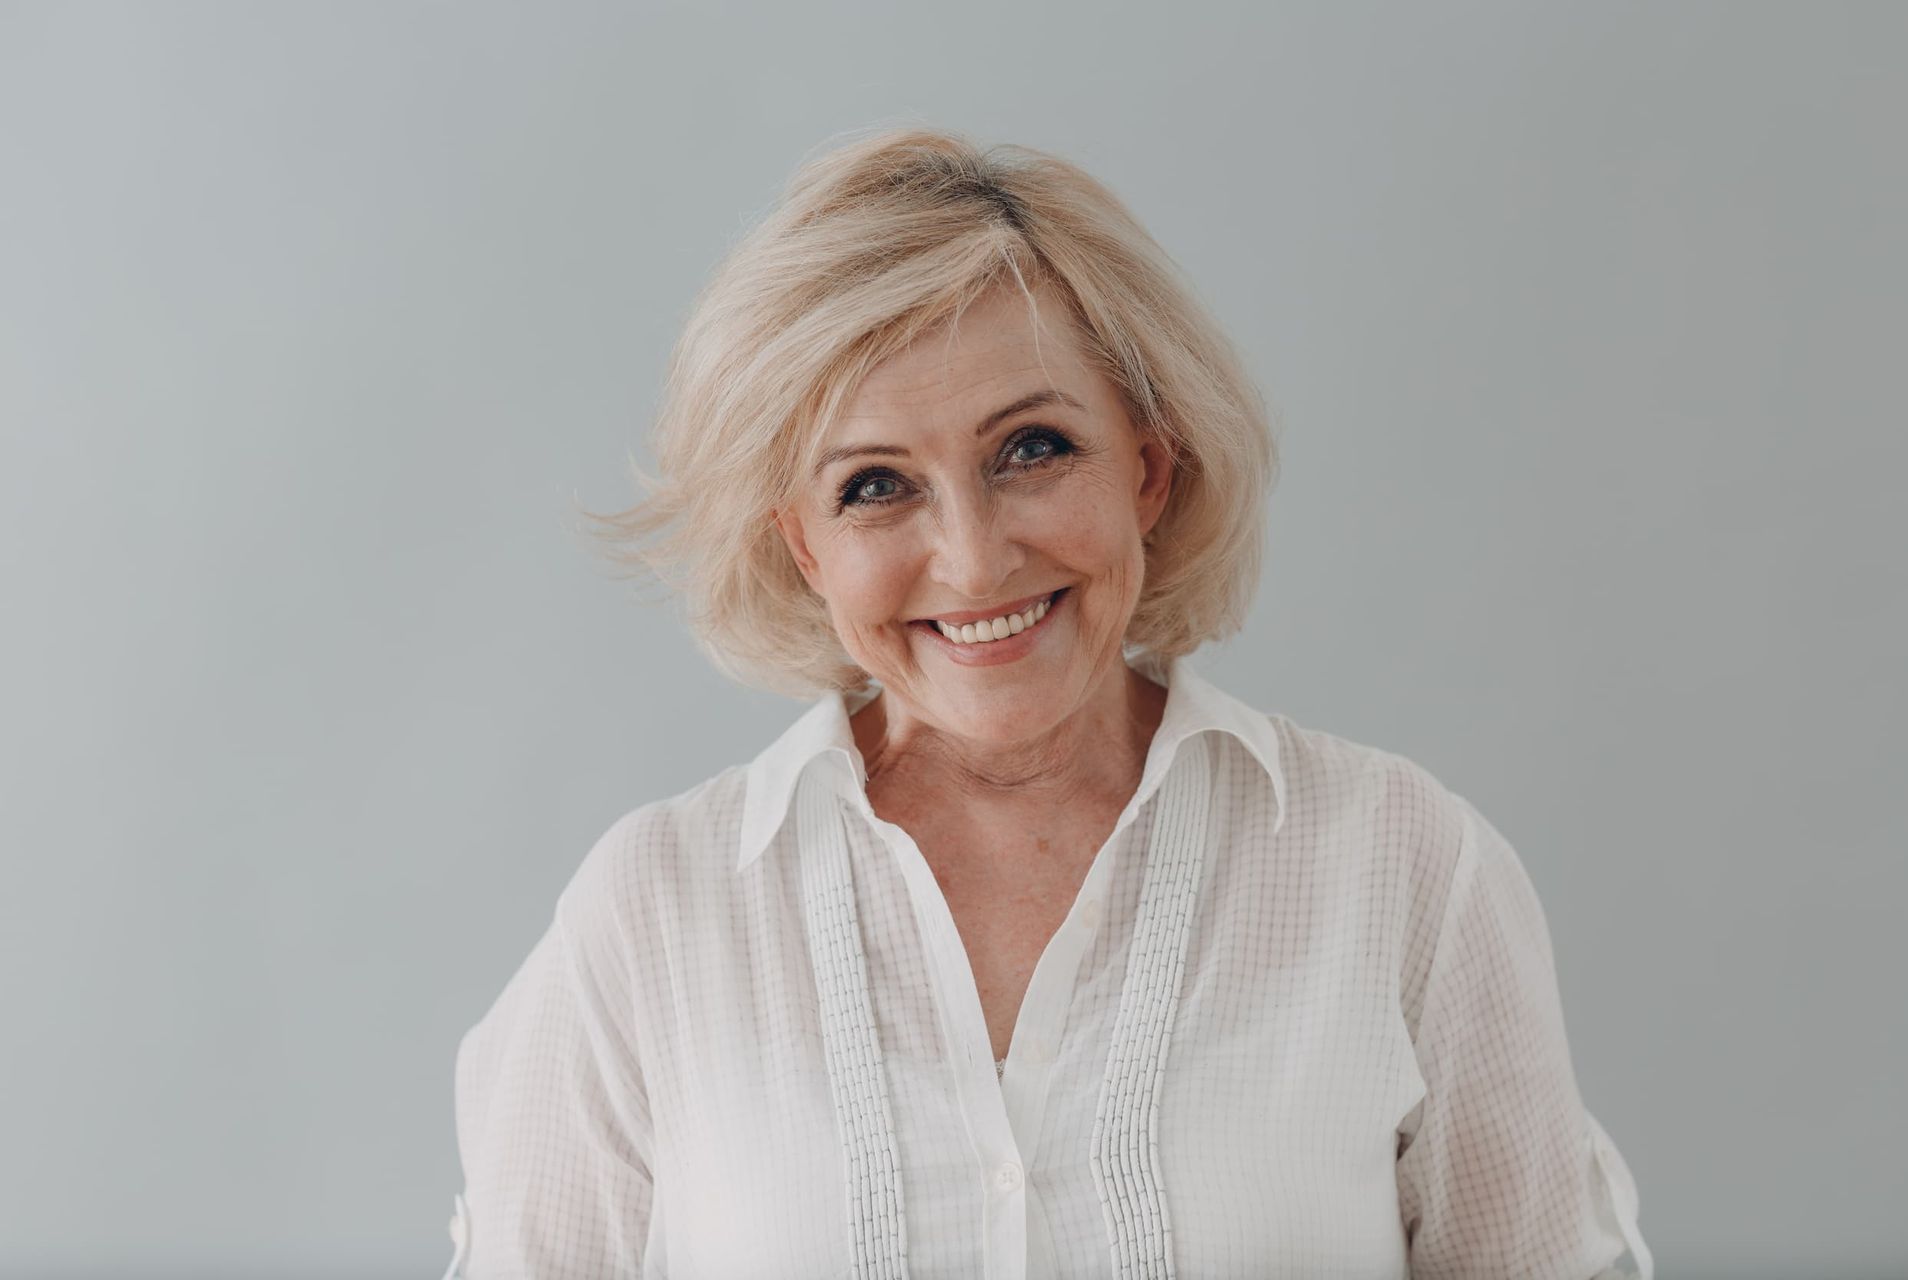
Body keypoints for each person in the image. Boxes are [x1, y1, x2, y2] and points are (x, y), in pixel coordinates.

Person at [440, 126, 1653, 1279]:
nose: (973, 561)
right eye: (874, 485)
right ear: (802, 546)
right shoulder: (654, 914)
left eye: (1032, 448)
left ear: (1149, 466)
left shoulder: (1402, 866)